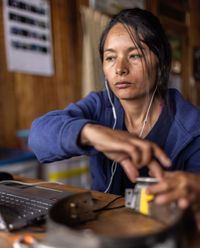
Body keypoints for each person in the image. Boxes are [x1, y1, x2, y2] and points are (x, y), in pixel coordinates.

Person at [29, 8, 200, 196]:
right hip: (103, 222)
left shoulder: (192, 127)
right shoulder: (100, 105)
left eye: (134, 55)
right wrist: (91, 133)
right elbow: (38, 137)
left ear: (160, 61)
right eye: (110, 58)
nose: (119, 69)